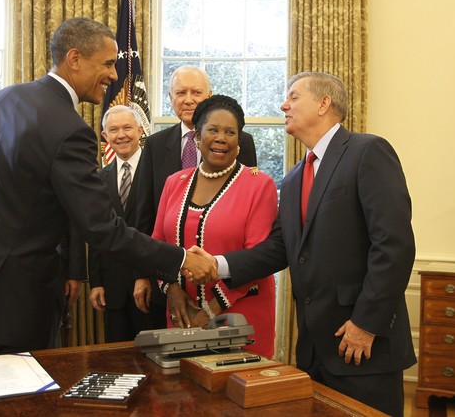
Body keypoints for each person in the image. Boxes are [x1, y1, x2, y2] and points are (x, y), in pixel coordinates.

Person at [0, 17, 214, 360]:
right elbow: (104, 229)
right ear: (74, 59)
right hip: (5, 303)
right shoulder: (67, 128)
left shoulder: (1, 99)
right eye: (107, 64)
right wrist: (179, 259)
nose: (114, 75)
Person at [186, 72, 416, 416]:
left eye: (293, 97)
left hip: (363, 344)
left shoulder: (368, 152)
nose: (283, 105)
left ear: (324, 103)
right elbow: (280, 248)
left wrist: (366, 324)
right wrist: (217, 264)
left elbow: (393, 246)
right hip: (314, 349)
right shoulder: (293, 177)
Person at [152, 95, 277, 357]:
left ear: (238, 142)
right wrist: (172, 290)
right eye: (213, 130)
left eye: (230, 132)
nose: (221, 138)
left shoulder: (259, 185)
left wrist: (209, 310)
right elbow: (157, 247)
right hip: (181, 315)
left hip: (238, 320)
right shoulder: (174, 182)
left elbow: (256, 260)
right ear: (197, 137)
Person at [135, 65, 258, 328]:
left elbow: (246, 209)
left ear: (210, 95)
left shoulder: (241, 141)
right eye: (180, 92)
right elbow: (145, 215)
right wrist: (147, 276)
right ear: (170, 98)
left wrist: (217, 298)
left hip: (227, 288)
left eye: (196, 92)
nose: (188, 99)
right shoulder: (154, 145)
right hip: (169, 286)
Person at [88, 105, 156, 342]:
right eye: (113, 130)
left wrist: (144, 275)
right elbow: (97, 233)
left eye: (127, 128)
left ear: (139, 130)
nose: (121, 135)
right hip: (112, 288)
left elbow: (157, 230)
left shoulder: (156, 172)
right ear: (105, 136)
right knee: (117, 360)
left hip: (149, 286)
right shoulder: (99, 179)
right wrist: (96, 282)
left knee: (151, 360)